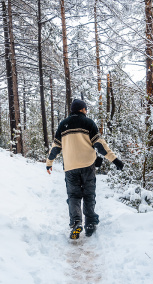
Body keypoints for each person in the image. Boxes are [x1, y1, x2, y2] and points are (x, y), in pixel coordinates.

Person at [46, 99, 124, 239]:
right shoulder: (88, 123)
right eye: (86, 109)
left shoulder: (63, 125)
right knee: (88, 195)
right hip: (88, 165)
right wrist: (115, 160)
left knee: (74, 196)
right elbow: (100, 145)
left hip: (70, 167)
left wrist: (49, 162)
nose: (86, 111)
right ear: (82, 109)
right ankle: (89, 224)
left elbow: (55, 147)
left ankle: (76, 222)